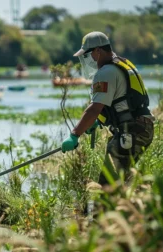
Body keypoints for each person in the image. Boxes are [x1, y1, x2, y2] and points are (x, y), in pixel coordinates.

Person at [61, 31, 154, 186]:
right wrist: (97, 122)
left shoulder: (106, 72)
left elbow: (94, 108)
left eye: (87, 55)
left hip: (131, 132)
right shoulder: (121, 63)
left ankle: (103, 209)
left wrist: (75, 134)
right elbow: (122, 102)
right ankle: (134, 206)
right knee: (123, 182)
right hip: (142, 128)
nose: (87, 60)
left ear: (98, 51)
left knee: (107, 186)